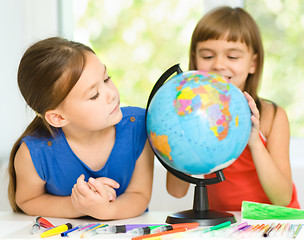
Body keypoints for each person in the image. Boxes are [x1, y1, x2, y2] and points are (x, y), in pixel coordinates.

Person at [166, 6, 300, 211]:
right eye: (208, 56)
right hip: (228, 225)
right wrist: (182, 130)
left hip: (274, 223)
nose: (219, 65)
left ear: (253, 63)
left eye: (233, 57)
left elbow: (282, 198)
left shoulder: (273, 116)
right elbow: (176, 192)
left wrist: (254, 141)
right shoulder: (196, 117)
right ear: (194, 60)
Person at [7, 37, 154, 219]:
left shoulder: (138, 127)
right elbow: (27, 200)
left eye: (106, 79)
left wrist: (108, 210)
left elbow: (140, 195)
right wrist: (79, 205)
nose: (111, 94)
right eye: (94, 95)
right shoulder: (34, 152)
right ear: (58, 117)